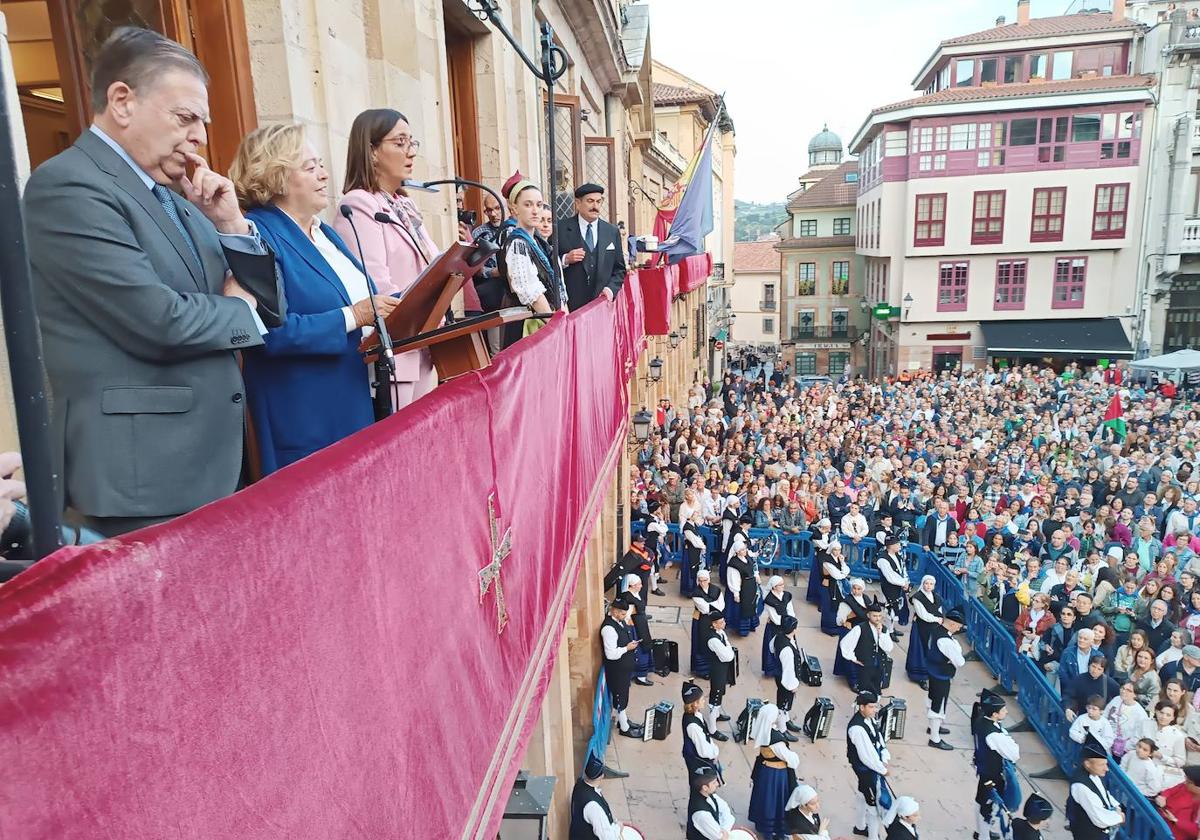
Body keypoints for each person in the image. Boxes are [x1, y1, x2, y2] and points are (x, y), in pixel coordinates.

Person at [24, 27, 283, 535]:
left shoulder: (179, 196)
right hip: (141, 479)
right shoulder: (69, 186)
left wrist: (231, 225)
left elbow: (271, 310)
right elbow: (157, 319)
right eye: (185, 117)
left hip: (205, 463)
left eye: (202, 122)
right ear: (122, 101)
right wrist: (240, 309)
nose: (200, 137)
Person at [231, 123, 394, 473]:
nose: (323, 175)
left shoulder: (326, 234)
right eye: (310, 167)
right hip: (304, 419)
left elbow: (363, 302)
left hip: (351, 404)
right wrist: (354, 316)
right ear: (274, 176)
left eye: (321, 164)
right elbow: (271, 332)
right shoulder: (258, 234)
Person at [333, 107, 446, 409]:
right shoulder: (358, 204)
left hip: (422, 341)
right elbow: (375, 283)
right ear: (371, 151)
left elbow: (433, 264)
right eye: (399, 143)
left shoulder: (400, 203)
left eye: (412, 143)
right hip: (395, 350)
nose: (410, 152)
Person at [497, 175, 557, 347]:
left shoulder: (537, 242)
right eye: (528, 204)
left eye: (539, 205)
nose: (535, 210)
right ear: (515, 209)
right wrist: (554, 323)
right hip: (528, 324)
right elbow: (530, 290)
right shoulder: (517, 243)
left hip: (544, 320)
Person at [557, 183, 626, 311]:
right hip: (571, 308)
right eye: (590, 201)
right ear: (578, 203)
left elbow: (620, 270)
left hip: (602, 307)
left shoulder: (611, 231)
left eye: (599, 202)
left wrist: (610, 290)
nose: (595, 206)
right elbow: (548, 262)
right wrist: (565, 259)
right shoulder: (560, 229)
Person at [972, 689, 1021, 840]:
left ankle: (982, 832)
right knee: (988, 807)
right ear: (994, 714)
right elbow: (1014, 754)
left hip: (985, 771)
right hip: (993, 774)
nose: (1006, 712)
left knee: (982, 803)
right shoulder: (993, 734)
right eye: (1003, 710)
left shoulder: (982, 721)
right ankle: (984, 835)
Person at [748, 702, 801, 839]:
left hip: (766, 771)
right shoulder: (776, 740)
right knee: (776, 802)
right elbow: (792, 760)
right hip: (777, 775)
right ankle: (775, 831)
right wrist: (794, 755)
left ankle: (765, 827)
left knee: (766, 800)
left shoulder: (763, 731)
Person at [847, 691, 891, 840]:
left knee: (862, 793)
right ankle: (873, 837)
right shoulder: (857, 728)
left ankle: (860, 827)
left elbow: (878, 738)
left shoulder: (869, 718)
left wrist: (884, 754)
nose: (875, 710)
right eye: (871, 707)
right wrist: (882, 770)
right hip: (865, 769)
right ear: (861, 707)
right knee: (873, 805)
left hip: (869, 767)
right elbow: (866, 756)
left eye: (875, 706)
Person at [600, 596, 644, 739]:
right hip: (617, 669)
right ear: (615, 612)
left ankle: (623, 720)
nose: (625, 617)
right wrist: (627, 648)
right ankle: (624, 727)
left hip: (624, 668)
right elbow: (611, 654)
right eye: (623, 614)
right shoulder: (608, 629)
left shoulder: (619, 621)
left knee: (623, 695)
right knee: (620, 697)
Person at [1066, 734, 1125, 838]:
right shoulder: (1081, 786)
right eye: (1102, 765)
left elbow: (1103, 794)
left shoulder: (1095, 774)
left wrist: (1116, 806)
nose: (1106, 769)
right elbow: (1099, 818)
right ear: (1087, 764)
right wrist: (1119, 817)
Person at [926, 606, 966, 750]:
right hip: (941, 675)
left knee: (932, 700)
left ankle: (932, 727)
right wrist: (956, 650)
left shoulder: (936, 630)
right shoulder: (947, 641)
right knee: (938, 706)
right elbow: (960, 662)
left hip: (933, 671)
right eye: (958, 626)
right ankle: (935, 738)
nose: (959, 629)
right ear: (953, 624)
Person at [840, 599, 895, 694]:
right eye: (874, 616)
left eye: (879, 616)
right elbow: (845, 644)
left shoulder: (884, 629)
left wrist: (880, 634)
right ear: (868, 615)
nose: (877, 618)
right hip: (864, 666)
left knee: (876, 691)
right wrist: (853, 658)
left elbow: (888, 648)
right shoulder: (860, 628)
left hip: (878, 665)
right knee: (864, 692)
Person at [568, 753, 623, 839]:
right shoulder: (593, 806)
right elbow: (608, 837)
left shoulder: (579, 785)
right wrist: (618, 828)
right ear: (601, 777)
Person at [703, 612, 737, 737]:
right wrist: (730, 651)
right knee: (715, 697)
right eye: (721, 622)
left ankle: (716, 714)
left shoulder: (720, 633)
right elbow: (727, 656)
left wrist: (729, 650)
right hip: (717, 669)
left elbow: (728, 644)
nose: (724, 623)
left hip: (722, 668)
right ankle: (712, 728)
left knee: (721, 691)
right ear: (714, 624)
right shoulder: (713, 639)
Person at [681, 680, 725, 775]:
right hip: (699, 762)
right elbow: (704, 750)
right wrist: (714, 753)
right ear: (695, 703)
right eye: (702, 699)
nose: (705, 700)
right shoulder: (693, 725)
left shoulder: (695, 714)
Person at [908, 574, 944, 688]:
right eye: (926, 583)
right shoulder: (917, 597)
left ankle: (932, 673)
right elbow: (922, 615)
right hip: (921, 627)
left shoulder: (936, 597)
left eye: (931, 584)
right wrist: (936, 619)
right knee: (920, 650)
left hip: (934, 627)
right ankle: (920, 676)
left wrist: (940, 619)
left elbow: (939, 610)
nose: (928, 586)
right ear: (923, 584)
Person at [691, 569, 725, 679]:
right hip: (702, 620)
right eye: (700, 581)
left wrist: (711, 604)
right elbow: (704, 609)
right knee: (702, 642)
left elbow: (721, 606)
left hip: (715, 618)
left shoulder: (716, 589)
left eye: (704, 580)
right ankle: (703, 670)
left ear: (708, 580)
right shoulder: (696, 592)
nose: (702, 583)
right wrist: (714, 604)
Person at [622, 574, 655, 687]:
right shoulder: (628, 597)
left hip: (641, 625)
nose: (641, 586)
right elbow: (626, 615)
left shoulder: (635, 594)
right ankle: (640, 676)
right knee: (640, 650)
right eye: (639, 584)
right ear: (632, 585)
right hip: (635, 627)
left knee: (644, 647)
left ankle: (641, 674)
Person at [686, 765, 736, 840]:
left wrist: (724, 830)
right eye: (714, 782)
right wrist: (724, 833)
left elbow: (725, 809)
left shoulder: (709, 794)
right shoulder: (701, 814)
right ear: (705, 788)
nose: (717, 784)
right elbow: (719, 836)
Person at [774, 614, 804, 738]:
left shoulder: (779, 637)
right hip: (785, 680)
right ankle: (782, 729)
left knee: (786, 703)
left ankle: (786, 720)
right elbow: (788, 669)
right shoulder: (787, 649)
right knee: (783, 704)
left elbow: (771, 648)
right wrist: (792, 685)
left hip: (781, 675)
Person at [877, 535, 911, 642]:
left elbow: (902, 570)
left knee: (896, 608)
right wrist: (903, 583)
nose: (899, 546)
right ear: (890, 546)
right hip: (888, 588)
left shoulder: (898, 555)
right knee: (889, 610)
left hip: (898, 587)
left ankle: (892, 628)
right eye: (897, 544)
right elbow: (890, 576)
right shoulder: (883, 559)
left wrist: (906, 582)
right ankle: (889, 631)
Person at [725, 542, 762, 637]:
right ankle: (742, 629)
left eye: (745, 549)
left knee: (751, 606)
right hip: (742, 589)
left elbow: (753, 567)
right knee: (743, 608)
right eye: (742, 550)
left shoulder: (747, 558)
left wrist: (756, 575)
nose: (744, 551)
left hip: (750, 587)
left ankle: (750, 625)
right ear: (737, 552)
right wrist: (736, 593)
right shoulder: (734, 564)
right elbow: (734, 579)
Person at [1155, 764, 1200, 840]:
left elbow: (1196, 831)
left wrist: (1175, 820)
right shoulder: (1185, 786)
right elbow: (1170, 790)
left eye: (1189, 782)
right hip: (1162, 821)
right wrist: (1163, 797)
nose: (1185, 782)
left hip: (1176, 833)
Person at [762, 575, 795, 678]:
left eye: (783, 584)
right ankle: (774, 670)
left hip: (787, 626)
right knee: (774, 648)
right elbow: (775, 618)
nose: (783, 586)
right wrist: (787, 624)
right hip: (775, 628)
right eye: (780, 585)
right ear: (774, 586)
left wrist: (792, 623)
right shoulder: (769, 600)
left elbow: (791, 611)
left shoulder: (786, 595)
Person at [818, 539, 851, 635]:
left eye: (839, 550)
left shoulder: (839, 559)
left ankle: (836, 624)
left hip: (837, 586)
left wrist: (842, 562)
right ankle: (828, 627)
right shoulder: (826, 561)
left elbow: (846, 570)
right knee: (829, 606)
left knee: (837, 606)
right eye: (835, 550)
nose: (837, 552)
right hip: (829, 586)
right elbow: (837, 575)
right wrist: (843, 573)